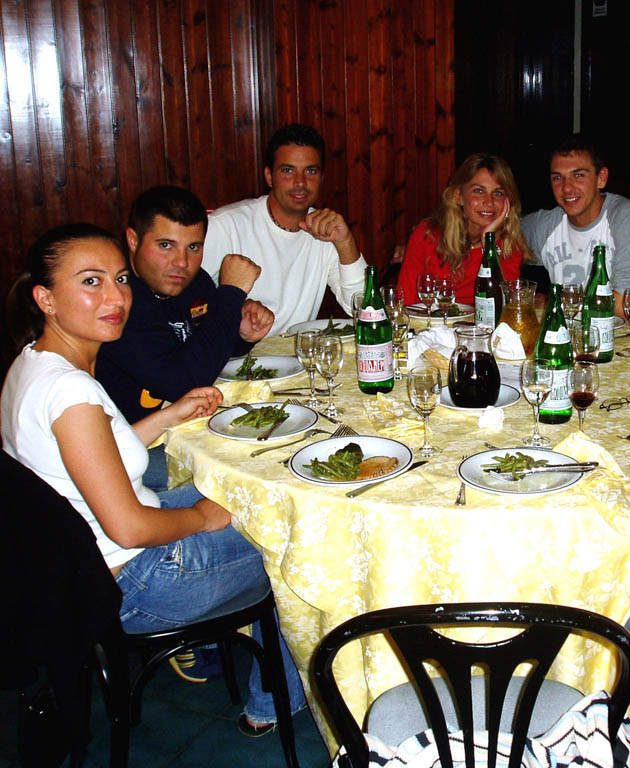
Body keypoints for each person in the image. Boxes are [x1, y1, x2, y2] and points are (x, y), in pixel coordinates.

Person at [1, 224, 306, 736]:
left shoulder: (34, 365)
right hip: (138, 583)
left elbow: (95, 455)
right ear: (45, 298)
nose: (116, 297)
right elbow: (130, 528)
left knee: (261, 488)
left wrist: (169, 415)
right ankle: (273, 702)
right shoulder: (71, 392)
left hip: (87, 572)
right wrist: (202, 518)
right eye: (91, 282)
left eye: (120, 279)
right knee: (297, 533)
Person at [95, 187, 274, 493]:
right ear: (133, 240)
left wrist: (240, 336)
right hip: (127, 452)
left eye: (193, 247)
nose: (181, 262)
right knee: (255, 479)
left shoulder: (192, 281)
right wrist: (231, 295)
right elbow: (183, 382)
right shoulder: (119, 300)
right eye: (166, 245)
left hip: (179, 428)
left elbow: (202, 351)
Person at [201, 123, 367, 336]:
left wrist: (345, 242)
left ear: (321, 178)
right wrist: (233, 305)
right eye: (288, 171)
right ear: (269, 177)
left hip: (296, 355)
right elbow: (184, 303)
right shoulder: (226, 225)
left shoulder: (325, 230)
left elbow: (366, 311)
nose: (300, 183)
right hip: (231, 353)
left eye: (311, 171)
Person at [522, 134, 630, 317]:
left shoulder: (625, 215)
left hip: (629, 333)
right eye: (557, 178)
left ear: (601, 178)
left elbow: (628, 305)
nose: (567, 188)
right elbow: (503, 240)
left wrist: (553, 300)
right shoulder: (545, 225)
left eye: (578, 175)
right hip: (571, 332)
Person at [395, 153, 526, 306]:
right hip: (427, 320)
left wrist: (488, 243)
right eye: (479, 191)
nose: (489, 202)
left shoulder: (509, 245)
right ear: (459, 196)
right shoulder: (428, 235)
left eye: (498, 193)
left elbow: (503, 306)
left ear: (507, 202)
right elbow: (404, 301)